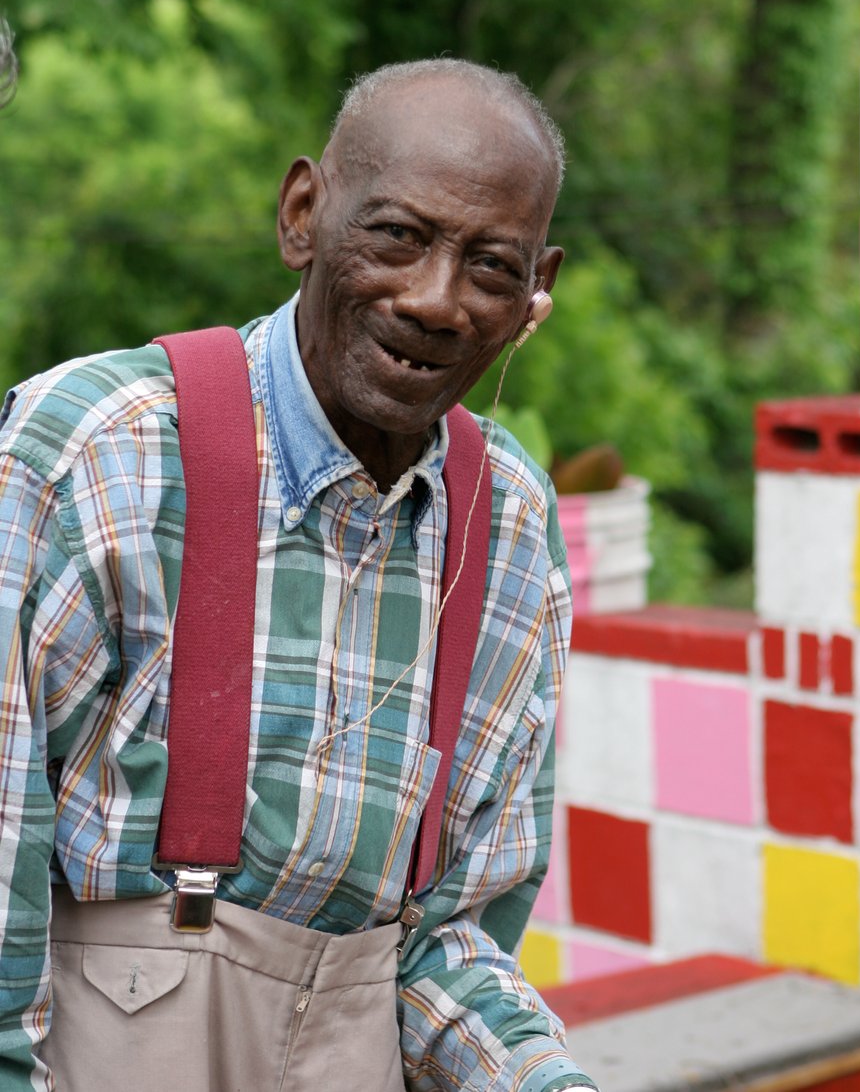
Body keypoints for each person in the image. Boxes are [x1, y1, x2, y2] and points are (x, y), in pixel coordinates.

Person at [0, 59, 597, 1092]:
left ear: (536, 289)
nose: (434, 301)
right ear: (303, 214)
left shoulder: (508, 526)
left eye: (491, 269)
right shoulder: (97, 451)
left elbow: (440, 943)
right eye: (397, 237)